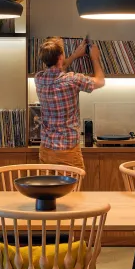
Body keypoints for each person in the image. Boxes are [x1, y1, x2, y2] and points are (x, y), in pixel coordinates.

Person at [34, 37, 104, 170]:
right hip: (68, 149)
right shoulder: (73, 80)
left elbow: (57, 70)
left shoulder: (39, 78)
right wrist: (95, 58)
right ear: (60, 57)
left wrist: (74, 55)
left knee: (48, 189)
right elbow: (100, 81)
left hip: (46, 148)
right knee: (72, 190)